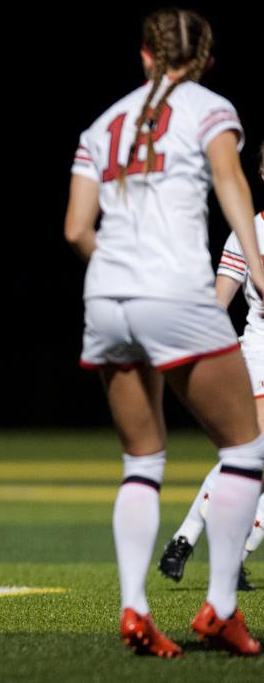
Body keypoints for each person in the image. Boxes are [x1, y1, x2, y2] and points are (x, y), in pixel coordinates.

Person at [65, 9, 263, 656]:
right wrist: (258, 265)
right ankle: (222, 609)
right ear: (203, 61)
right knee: (244, 451)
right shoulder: (209, 109)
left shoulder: (101, 125)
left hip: (108, 295)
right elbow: (232, 185)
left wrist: (120, 273)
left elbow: (74, 229)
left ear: (145, 57)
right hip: (174, 288)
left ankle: (134, 610)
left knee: (142, 461)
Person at [158, 144, 264, 592]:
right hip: (258, 358)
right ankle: (213, 547)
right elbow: (219, 303)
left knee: (249, 460)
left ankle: (196, 539)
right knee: (251, 455)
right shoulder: (249, 232)